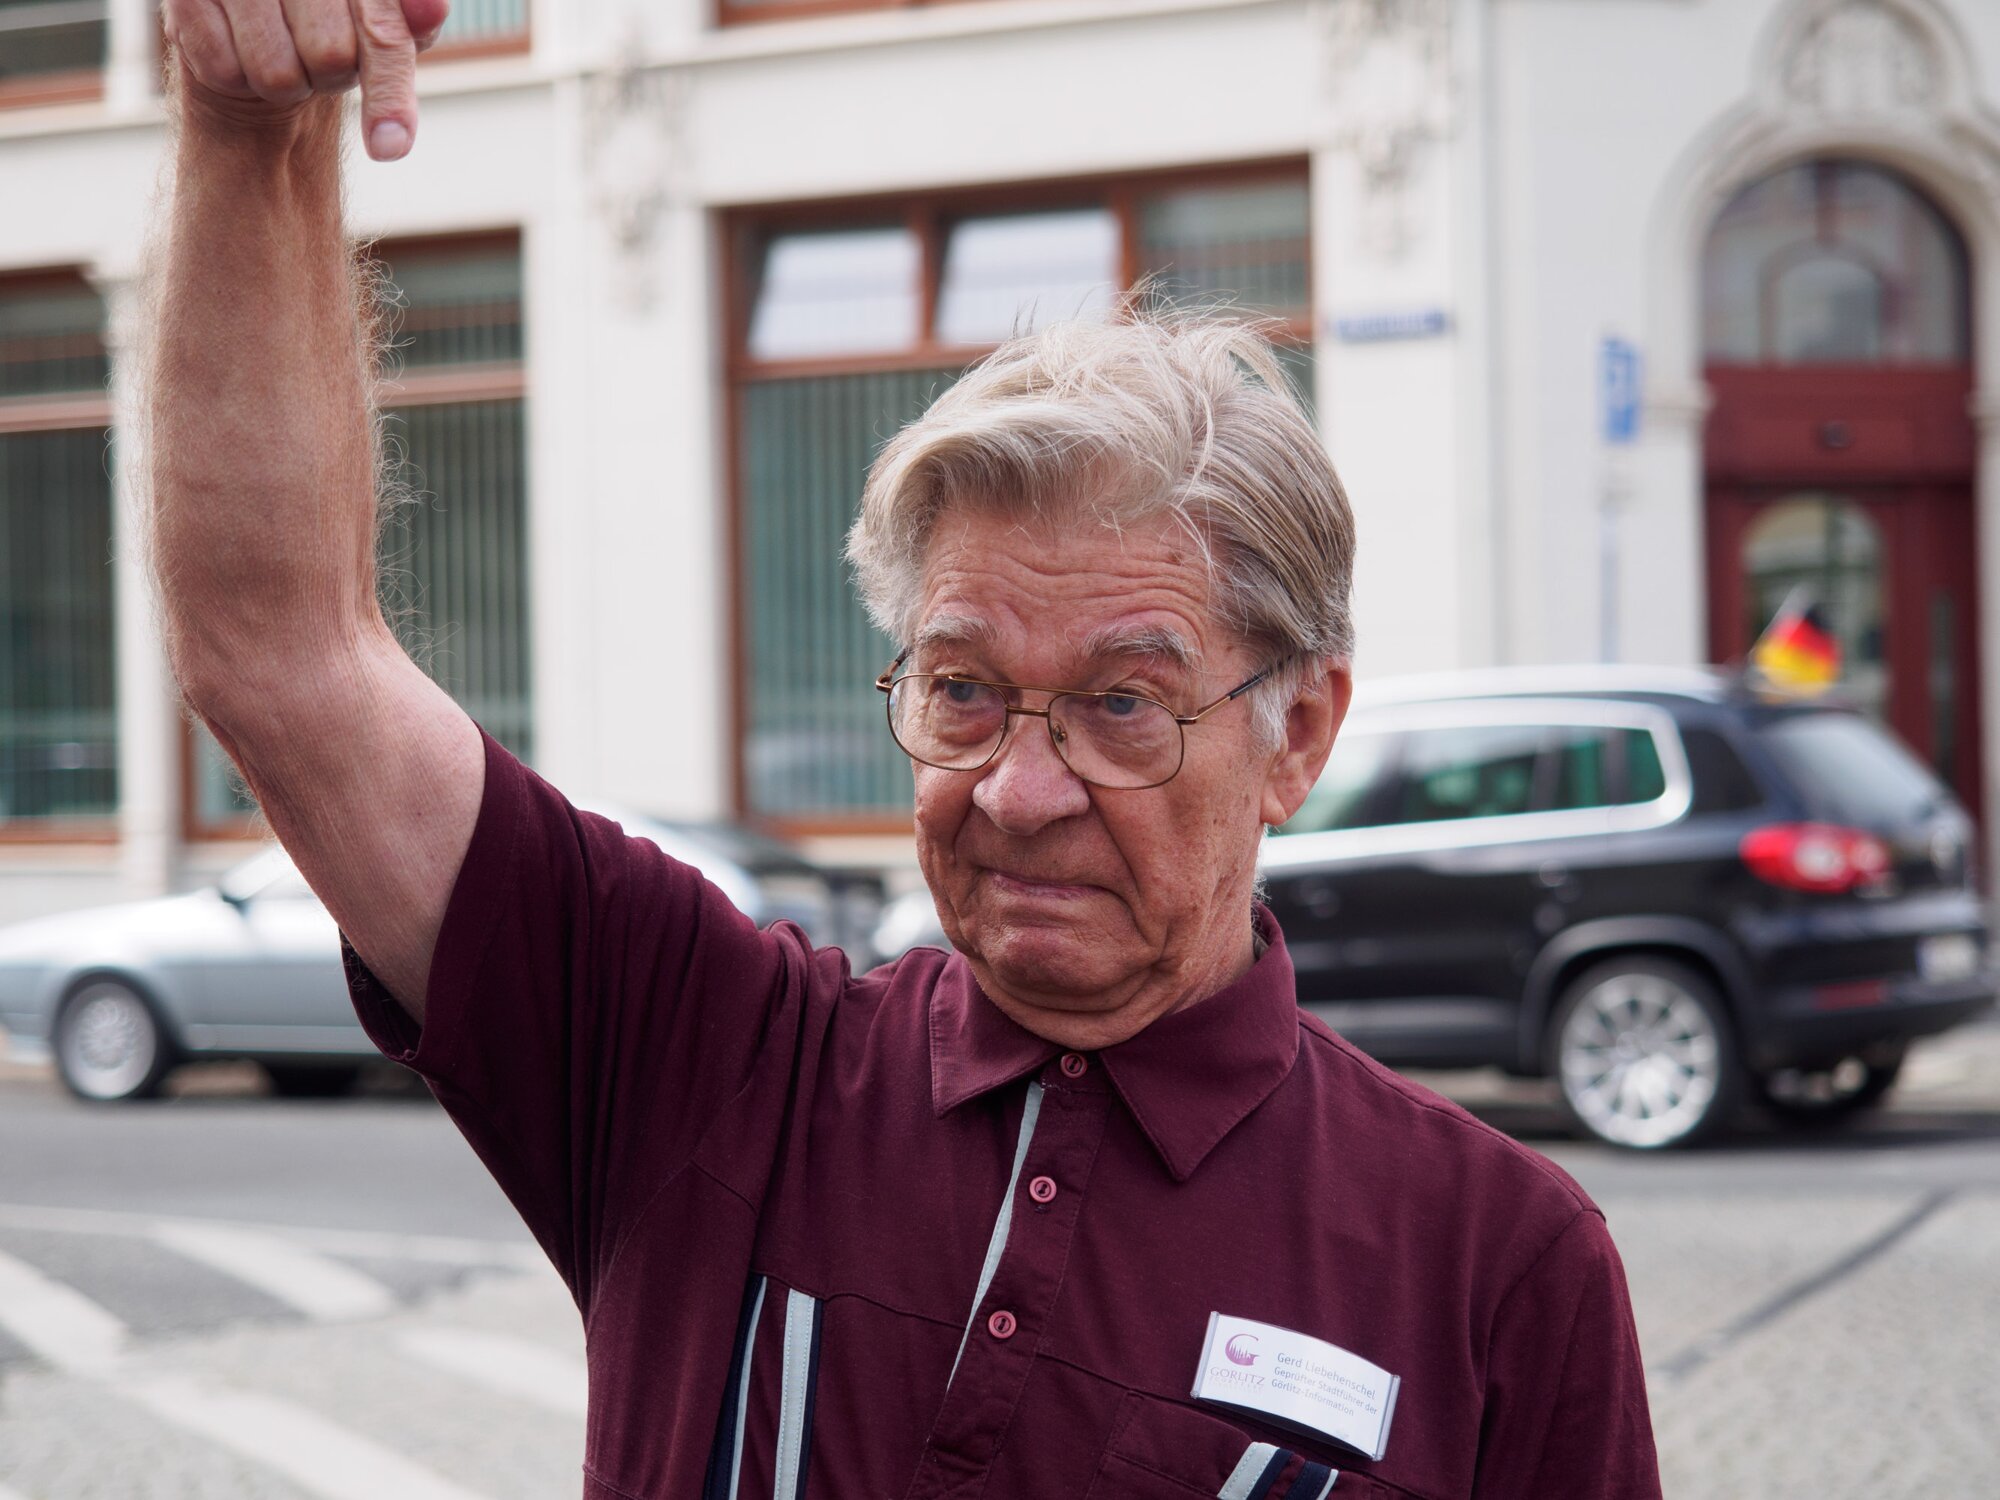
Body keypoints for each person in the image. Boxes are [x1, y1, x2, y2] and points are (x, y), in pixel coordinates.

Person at [149, 4, 1663, 1496]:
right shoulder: (704, 1056)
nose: (1020, 790)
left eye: (1122, 706)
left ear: (1298, 735)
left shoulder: (1496, 1266)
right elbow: (284, 661)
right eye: (964, 689)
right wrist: (247, 122)